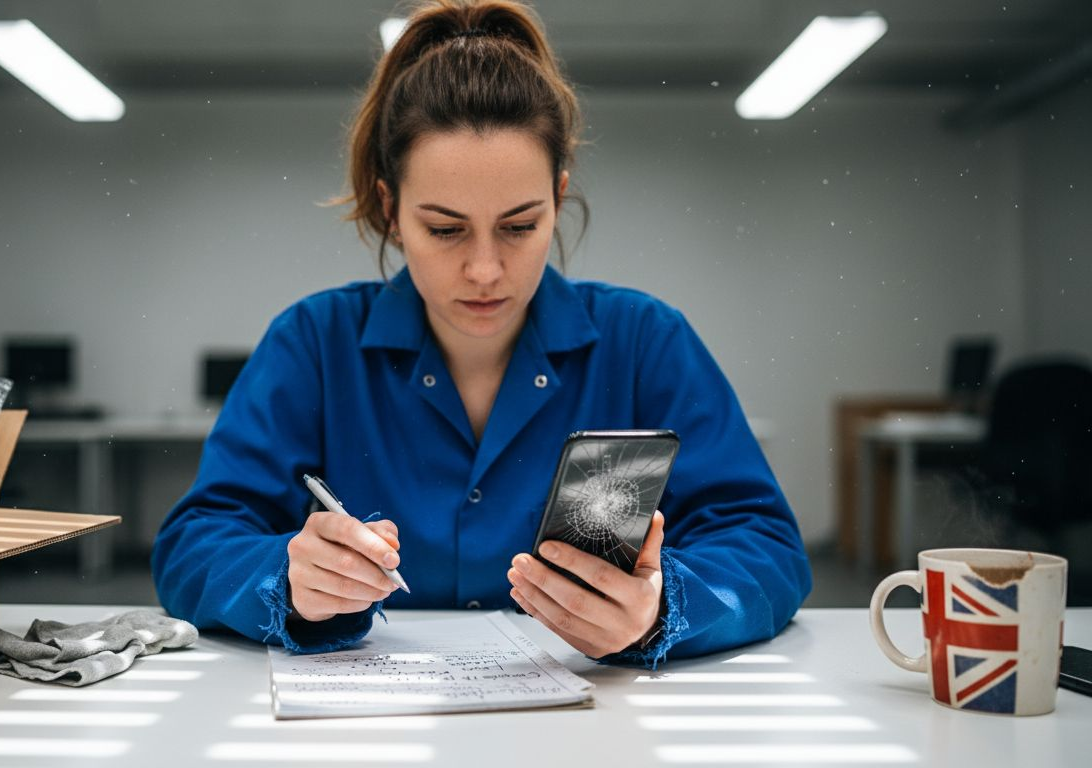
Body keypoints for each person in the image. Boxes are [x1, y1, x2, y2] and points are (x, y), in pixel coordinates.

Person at [153, 0, 811, 664]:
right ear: (391, 209)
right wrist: (288, 579)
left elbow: (765, 546)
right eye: (445, 229)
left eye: (520, 226)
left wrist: (661, 608)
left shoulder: (645, 341)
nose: (485, 270)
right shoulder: (312, 343)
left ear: (558, 197)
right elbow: (195, 545)